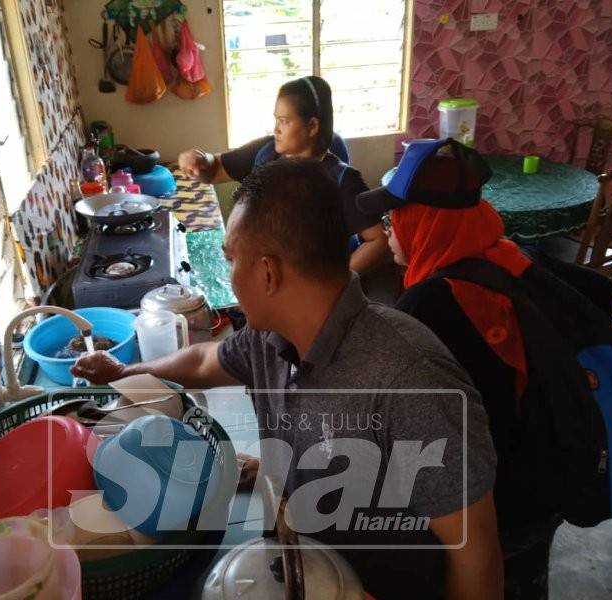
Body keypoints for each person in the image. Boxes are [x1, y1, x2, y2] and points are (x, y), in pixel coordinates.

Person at [73, 159, 503, 599]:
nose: (229, 277)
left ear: (267, 272)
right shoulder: (269, 337)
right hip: (300, 564)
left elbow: (476, 557)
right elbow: (205, 361)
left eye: (230, 260)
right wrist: (127, 371)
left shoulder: (409, 380)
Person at [355, 138, 562, 599]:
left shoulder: (432, 304)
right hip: (548, 475)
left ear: (425, 221)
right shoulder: (507, 256)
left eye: (393, 219)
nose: (387, 231)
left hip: (499, 501)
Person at [177, 75, 388, 275]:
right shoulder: (267, 152)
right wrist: (202, 161)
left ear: (312, 126)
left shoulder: (342, 180)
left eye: (284, 121)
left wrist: (339, 283)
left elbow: (378, 240)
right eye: (276, 120)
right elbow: (216, 170)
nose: (276, 129)